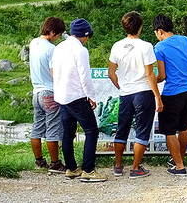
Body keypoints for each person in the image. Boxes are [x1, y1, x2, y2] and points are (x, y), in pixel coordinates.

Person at [108, 11, 163, 179]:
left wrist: (121, 86)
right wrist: (158, 97)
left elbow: (111, 73)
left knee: (121, 130)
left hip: (125, 94)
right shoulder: (146, 46)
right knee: (142, 131)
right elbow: (150, 74)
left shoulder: (117, 46)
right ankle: (135, 168)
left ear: (125, 27)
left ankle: (118, 166)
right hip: (143, 93)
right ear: (140, 28)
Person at [152, 14, 187, 176]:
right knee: (183, 128)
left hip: (172, 94)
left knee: (170, 131)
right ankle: (180, 159)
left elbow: (162, 76)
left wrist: (151, 80)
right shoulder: (185, 40)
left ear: (160, 31)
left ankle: (179, 167)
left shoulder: (160, 48)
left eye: (156, 32)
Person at [52, 18, 106, 182]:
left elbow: (54, 70)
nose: (87, 40)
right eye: (88, 36)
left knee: (68, 134)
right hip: (76, 96)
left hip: (61, 97)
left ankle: (72, 168)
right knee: (91, 131)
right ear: (85, 34)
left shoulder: (59, 47)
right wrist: (92, 97)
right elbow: (85, 77)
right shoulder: (80, 50)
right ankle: (88, 170)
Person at [29, 16, 66, 173]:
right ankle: (55, 163)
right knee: (52, 129)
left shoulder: (33, 43)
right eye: (57, 35)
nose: (57, 38)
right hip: (49, 92)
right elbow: (54, 74)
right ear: (52, 32)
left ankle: (39, 161)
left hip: (36, 92)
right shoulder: (52, 49)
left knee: (37, 127)